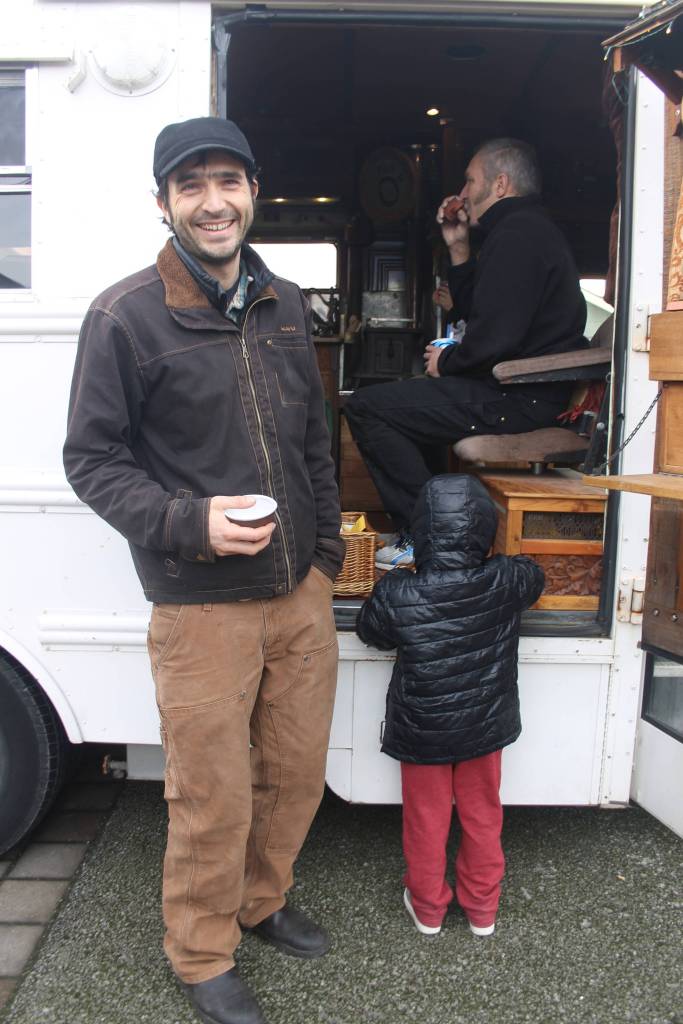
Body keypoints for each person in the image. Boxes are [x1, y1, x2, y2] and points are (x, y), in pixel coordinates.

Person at [63, 117, 345, 1024]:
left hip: (297, 596)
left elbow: (313, 438)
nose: (213, 202)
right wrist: (188, 521)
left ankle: (260, 904)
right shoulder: (124, 314)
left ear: (253, 192)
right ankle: (200, 953)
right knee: (211, 794)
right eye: (191, 186)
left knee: (295, 773)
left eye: (228, 181)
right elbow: (92, 459)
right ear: (164, 204)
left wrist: (326, 557)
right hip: (199, 607)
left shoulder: (287, 302)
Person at [344, 138, 588, 570]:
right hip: (516, 390)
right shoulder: (520, 232)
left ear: (499, 183)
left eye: (470, 179)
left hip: (520, 396)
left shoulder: (519, 235)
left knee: (367, 408)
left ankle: (431, 533)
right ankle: (436, 526)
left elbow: (494, 338)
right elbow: (480, 309)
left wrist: (449, 362)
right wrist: (458, 246)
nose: (463, 190)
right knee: (397, 408)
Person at [356, 474, 545, 936]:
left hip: (424, 729)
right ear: (485, 529)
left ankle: (429, 908)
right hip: (485, 727)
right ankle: (482, 909)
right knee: (483, 815)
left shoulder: (397, 592)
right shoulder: (506, 579)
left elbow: (370, 632)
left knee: (426, 820)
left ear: (419, 531)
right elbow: (535, 576)